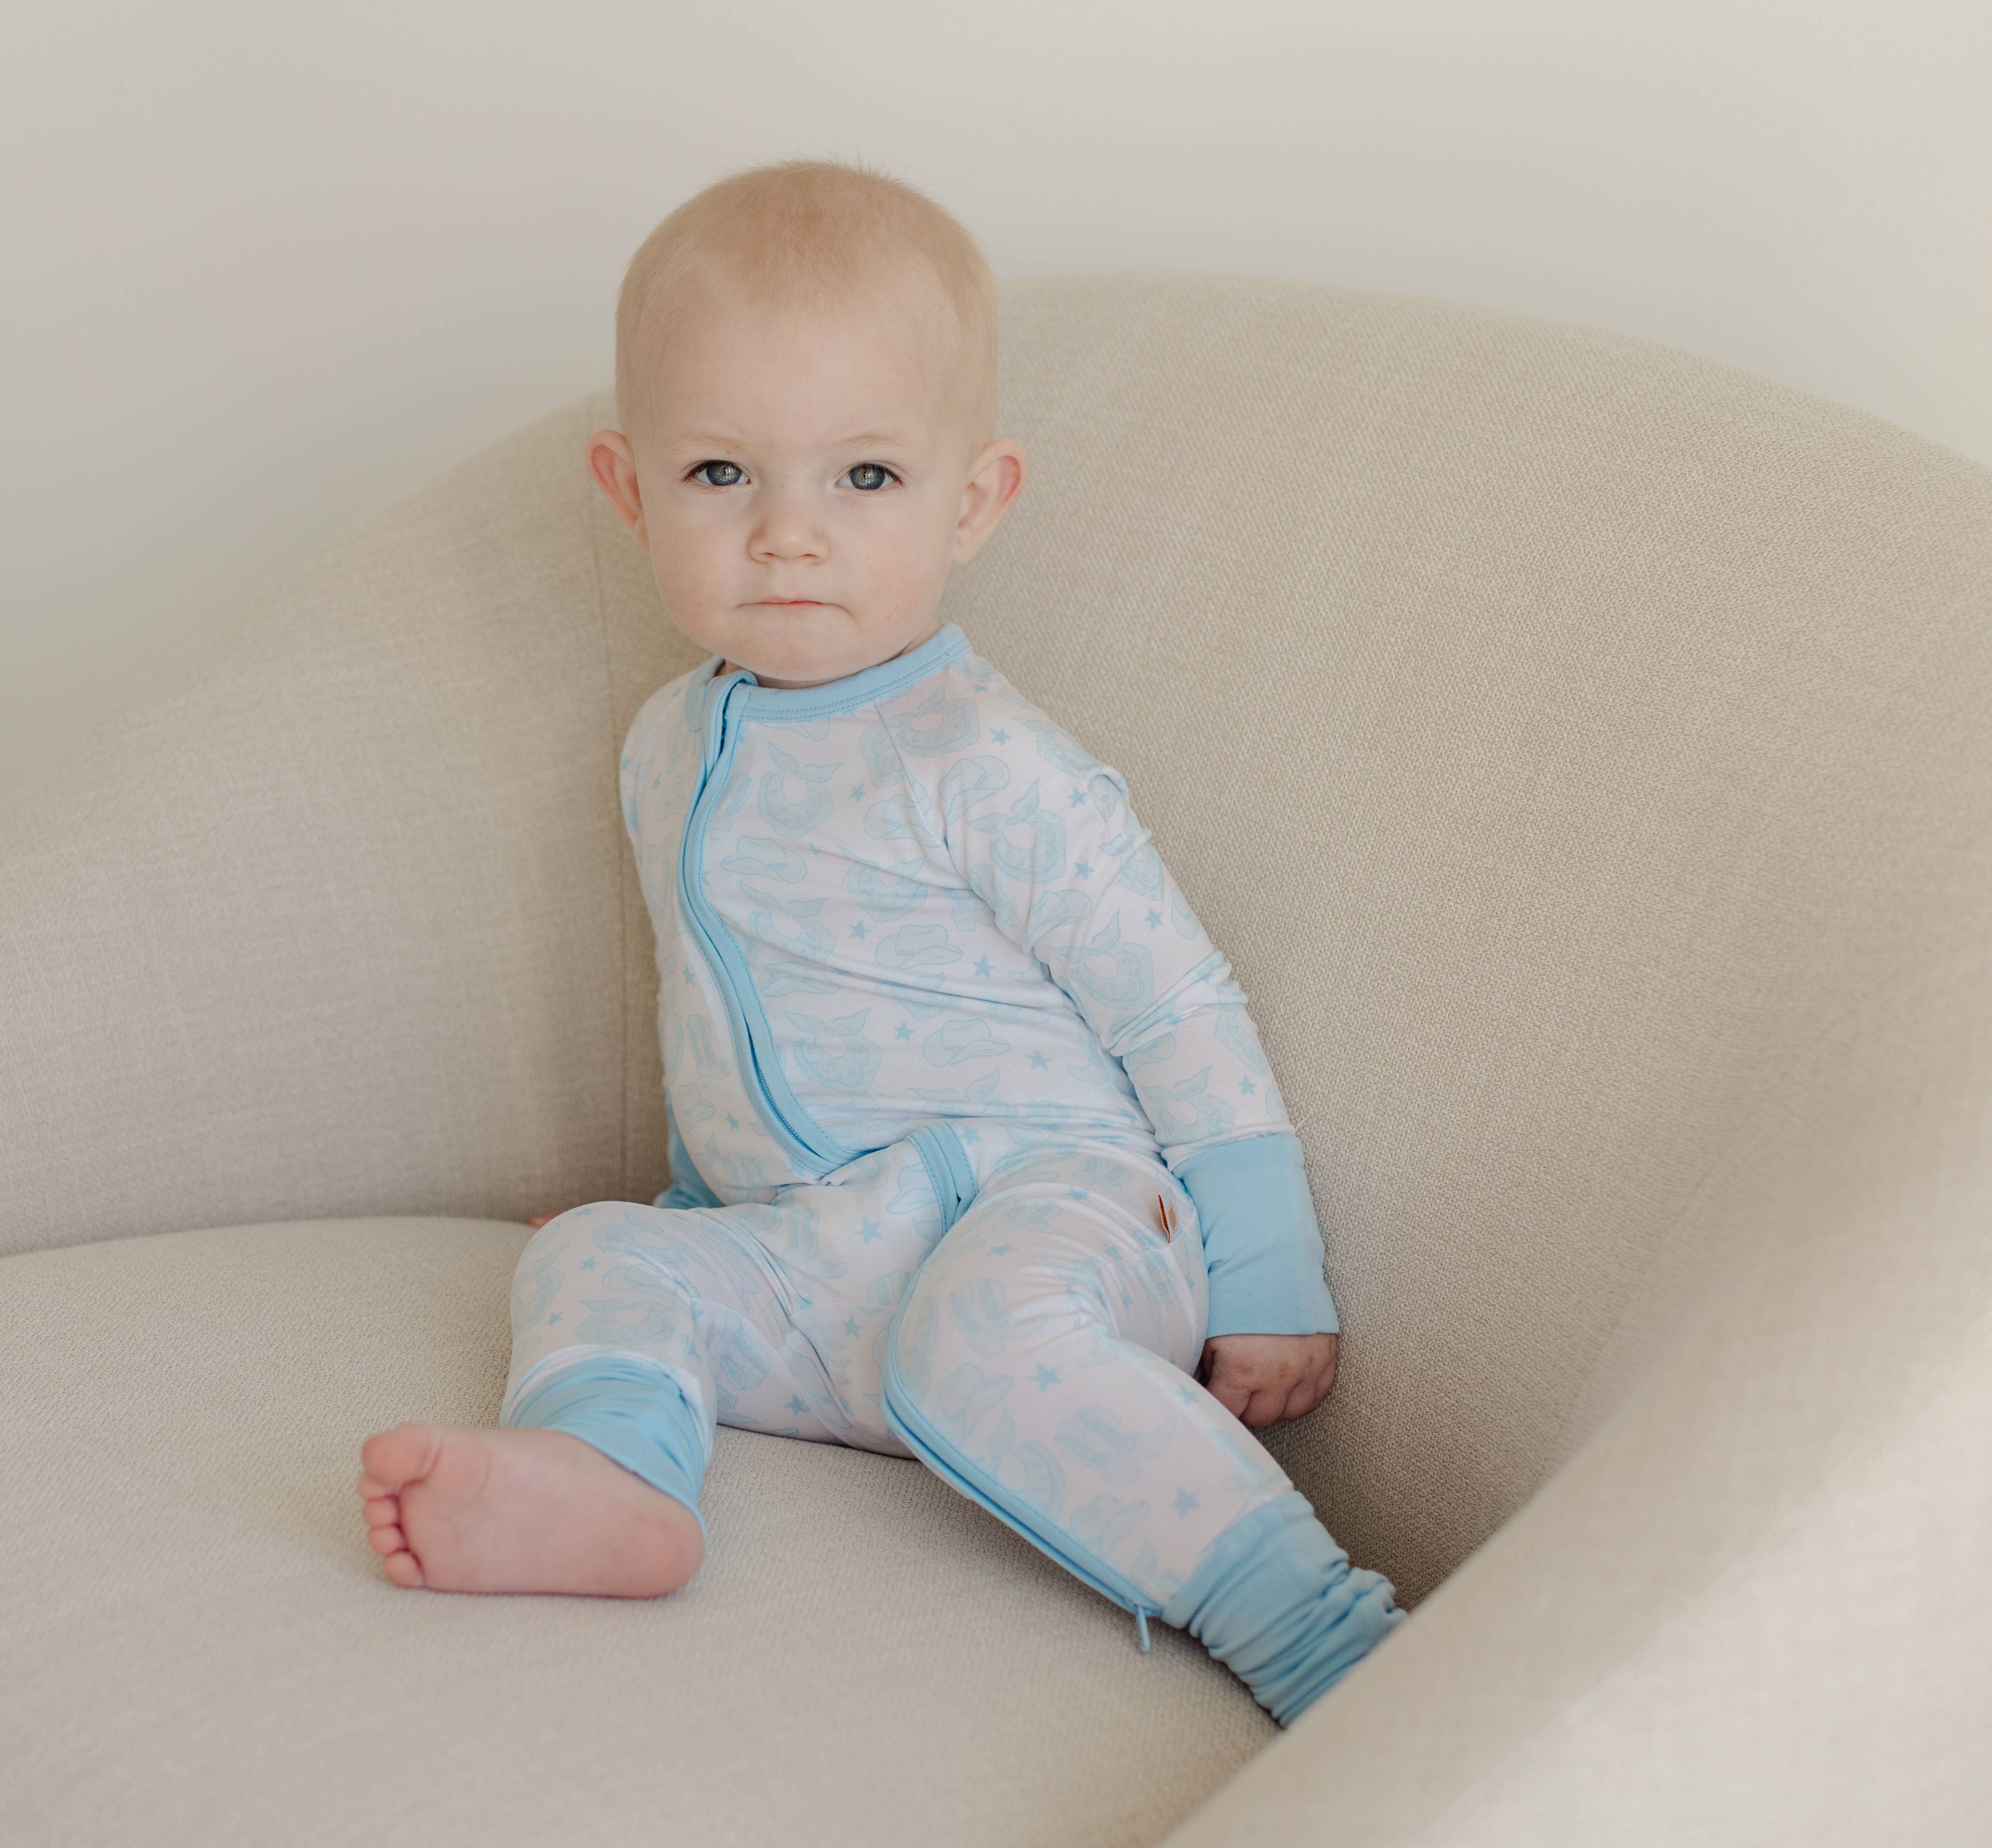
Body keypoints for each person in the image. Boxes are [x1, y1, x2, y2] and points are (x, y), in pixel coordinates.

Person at [356, 159, 1400, 1725]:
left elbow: (1174, 1004)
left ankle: (1322, 1635)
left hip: (1050, 1214)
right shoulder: (664, 747)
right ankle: (610, 1475)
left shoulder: (982, 758)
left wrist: (1267, 1272)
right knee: (591, 1252)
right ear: (630, 492)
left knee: (981, 1343)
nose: (788, 536)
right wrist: (700, 1220)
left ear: (971, 502)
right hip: (824, 1257)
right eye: (722, 473)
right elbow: (723, 1016)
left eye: (863, 477)